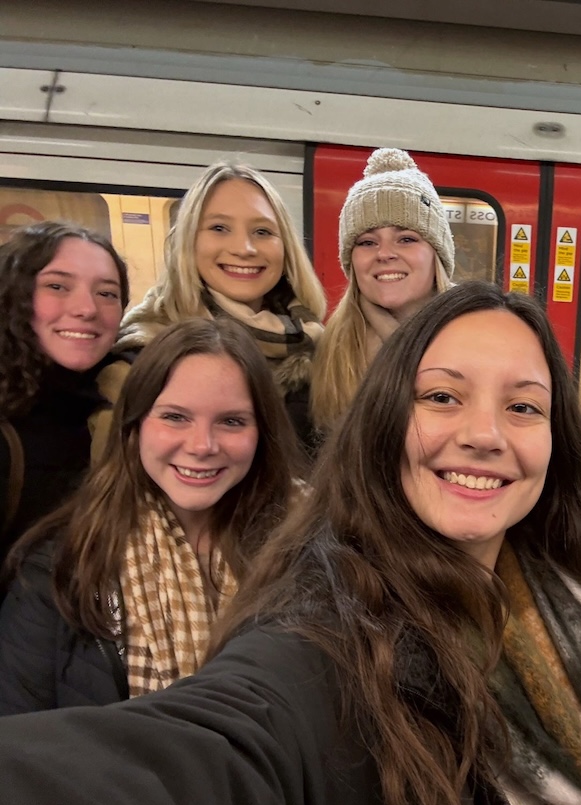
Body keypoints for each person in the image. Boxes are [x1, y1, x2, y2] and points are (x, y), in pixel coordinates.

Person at [0, 282, 581, 805]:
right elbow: (209, 750)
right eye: (442, 397)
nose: (485, 434)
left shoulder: (575, 607)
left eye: (523, 406)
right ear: (382, 424)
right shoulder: (323, 639)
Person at [0, 318, 302, 713]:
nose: (202, 446)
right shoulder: (59, 566)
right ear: (135, 424)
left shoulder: (311, 548)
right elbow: (20, 733)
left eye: (231, 421)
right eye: (175, 416)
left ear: (262, 432)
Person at [113, 162, 326, 450]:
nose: (244, 249)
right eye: (219, 228)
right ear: (188, 241)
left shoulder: (321, 349)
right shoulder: (145, 355)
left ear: (286, 245)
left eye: (262, 232)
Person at [0, 221, 129, 576]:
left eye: (107, 293)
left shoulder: (122, 399)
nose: (87, 308)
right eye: (57, 286)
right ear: (14, 296)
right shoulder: (10, 433)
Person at [309, 147, 454, 434]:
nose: (385, 253)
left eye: (406, 239)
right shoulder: (326, 351)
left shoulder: (476, 335)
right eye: (367, 242)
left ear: (436, 253)